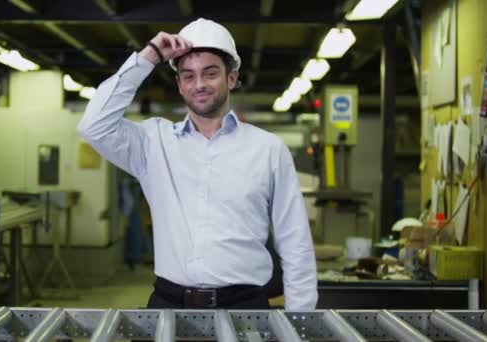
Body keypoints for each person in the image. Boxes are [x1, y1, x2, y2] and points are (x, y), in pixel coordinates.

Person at [77, 18, 317, 311]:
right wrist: (148, 56)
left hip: (246, 308)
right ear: (179, 85)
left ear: (231, 77)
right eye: (188, 76)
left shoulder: (268, 149)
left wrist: (301, 323)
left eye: (210, 73)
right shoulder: (153, 143)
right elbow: (93, 126)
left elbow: (295, 242)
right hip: (170, 305)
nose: (199, 84)